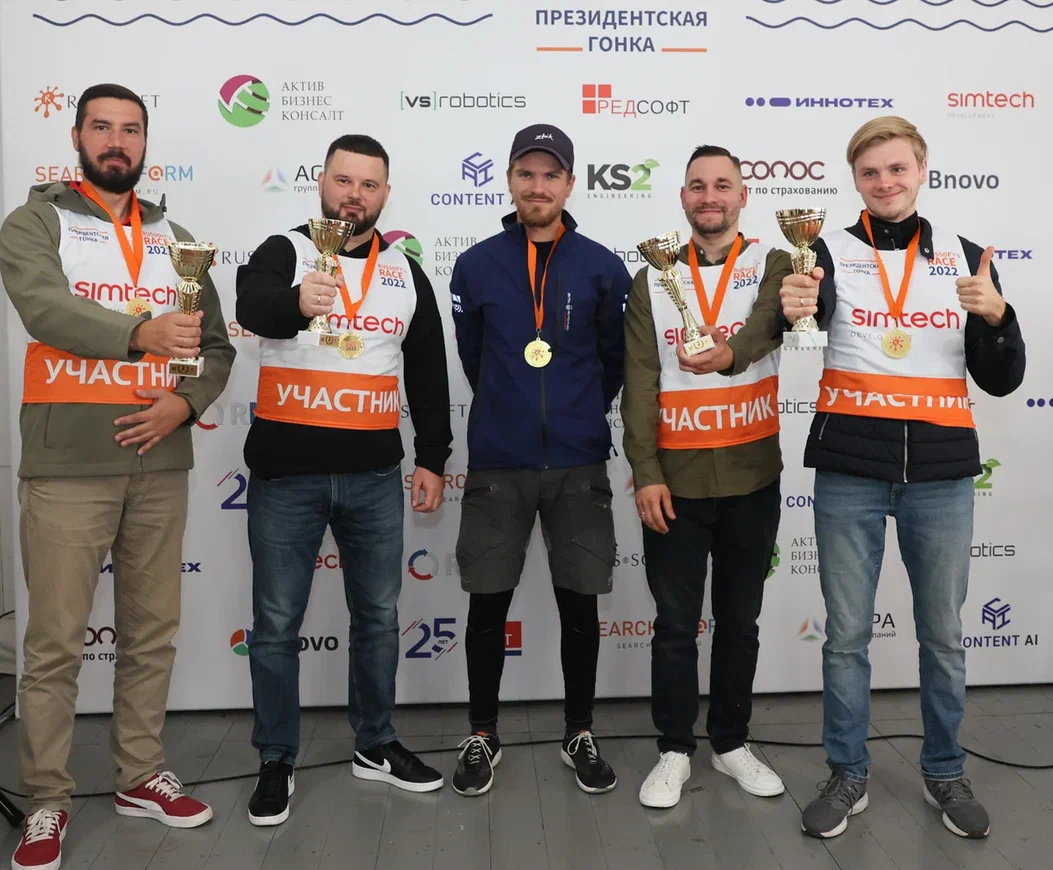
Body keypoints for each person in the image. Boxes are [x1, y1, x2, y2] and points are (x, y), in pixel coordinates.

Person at [0, 83, 235, 870]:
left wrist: (184, 403)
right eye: (101, 127)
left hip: (158, 462)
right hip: (68, 467)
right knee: (55, 644)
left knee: (150, 633)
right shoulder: (36, 222)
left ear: (144, 143)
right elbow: (45, 309)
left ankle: (139, 775)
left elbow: (216, 349)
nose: (116, 141)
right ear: (76, 136)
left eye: (130, 130)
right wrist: (142, 333)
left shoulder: (177, 238)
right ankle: (47, 799)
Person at [780, 117, 1026, 840]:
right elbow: (804, 324)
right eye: (869, 172)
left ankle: (944, 769)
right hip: (851, 469)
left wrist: (998, 317)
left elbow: (1002, 380)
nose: (884, 182)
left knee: (943, 636)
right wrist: (795, 309)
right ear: (854, 180)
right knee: (845, 637)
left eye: (896, 169)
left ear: (921, 171)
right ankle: (847, 772)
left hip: (940, 475)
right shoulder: (823, 251)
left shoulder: (967, 256)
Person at [235, 134, 453, 825]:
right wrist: (299, 302)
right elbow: (251, 309)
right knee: (276, 624)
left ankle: (375, 743)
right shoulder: (284, 251)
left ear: (384, 194)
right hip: (285, 478)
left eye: (368, 184)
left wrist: (433, 458)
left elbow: (427, 369)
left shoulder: (404, 272)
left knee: (379, 618)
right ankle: (276, 758)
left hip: (373, 479)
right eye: (343, 180)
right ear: (322, 183)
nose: (354, 195)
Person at [448, 124, 630, 797]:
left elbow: (613, 361)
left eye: (551, 175)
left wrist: (576, 413)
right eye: (526, 173)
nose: (537, 186)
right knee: (487, 604)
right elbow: (474, 357)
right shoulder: (476, 264)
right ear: (509, 181)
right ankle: (482, 732)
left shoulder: (602, 267)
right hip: (499, 460)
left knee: (578, 604)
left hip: (578, 463)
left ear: (570, 184)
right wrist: (512, 408)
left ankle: (578, 730)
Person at [622, 145, 792, 809]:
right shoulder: (651, 278)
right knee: (673, 625)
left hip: (752, 476)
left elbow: (769, 323)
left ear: (743, 195)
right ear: (683, 198)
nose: (709, 196)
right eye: (697, 186)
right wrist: (644, 471)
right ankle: (673, 748)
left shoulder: (774, 263)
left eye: (722, 185)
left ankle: (730, 743)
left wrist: (730, 354)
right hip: (676, 483)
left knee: (739, 621)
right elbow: (639, 381)